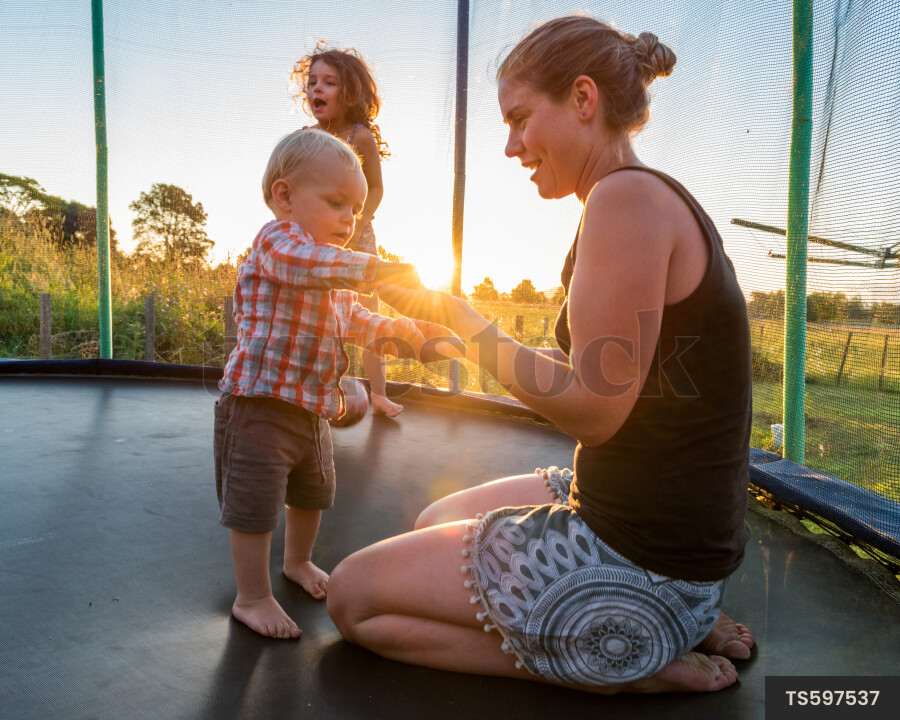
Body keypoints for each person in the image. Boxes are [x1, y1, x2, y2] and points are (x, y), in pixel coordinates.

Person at [326, 16, 756, 693]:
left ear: (583, 100)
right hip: (665, 533)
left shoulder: (624, 202)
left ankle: (628, 660)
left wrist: (463, 321)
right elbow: (611, 384)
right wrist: (441, 322)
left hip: (646, 563)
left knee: (354, 599)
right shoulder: (648, 197)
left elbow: (593, 410)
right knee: (435, 519)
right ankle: (663, 622)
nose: (510, 145)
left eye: (521, 118)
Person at [215, 128, 451, 639]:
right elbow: (309, 265)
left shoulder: (333, 274)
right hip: (258, 406)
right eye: (336, 202)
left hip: (311, 411)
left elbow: (358, 319)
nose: (350, 218)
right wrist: (377, 269)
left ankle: (297, 562)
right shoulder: (278, 243)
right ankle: (251, 597)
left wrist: (408, 334)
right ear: (285, 197)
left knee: (313, 494)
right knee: (254, 506)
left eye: (356, 208)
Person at [291, 44, 403, 418]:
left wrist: (358, 223)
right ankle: (309, 389)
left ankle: (380, 394)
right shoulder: (306, 138)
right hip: (316, 239)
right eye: (312, 82)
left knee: (365, 314)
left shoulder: (360, 137)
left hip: (356, 236)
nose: (317, 89)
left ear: (350, 91)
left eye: (329, 82)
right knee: (315, 312)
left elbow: (377, 188)